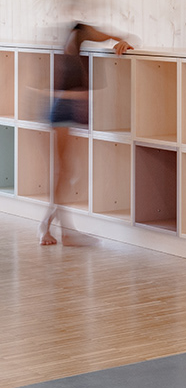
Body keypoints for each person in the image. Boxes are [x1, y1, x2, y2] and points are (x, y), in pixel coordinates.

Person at [40, 21, 134, 246]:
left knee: (72, 173)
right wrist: (119, 38)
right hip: (65, 107)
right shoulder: (77, 32)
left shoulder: (73, 39)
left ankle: (54, 227)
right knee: (68, 172)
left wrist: (120, 40)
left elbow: (105, 36)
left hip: (70, 108)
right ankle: (57, 229)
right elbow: (103, 35)